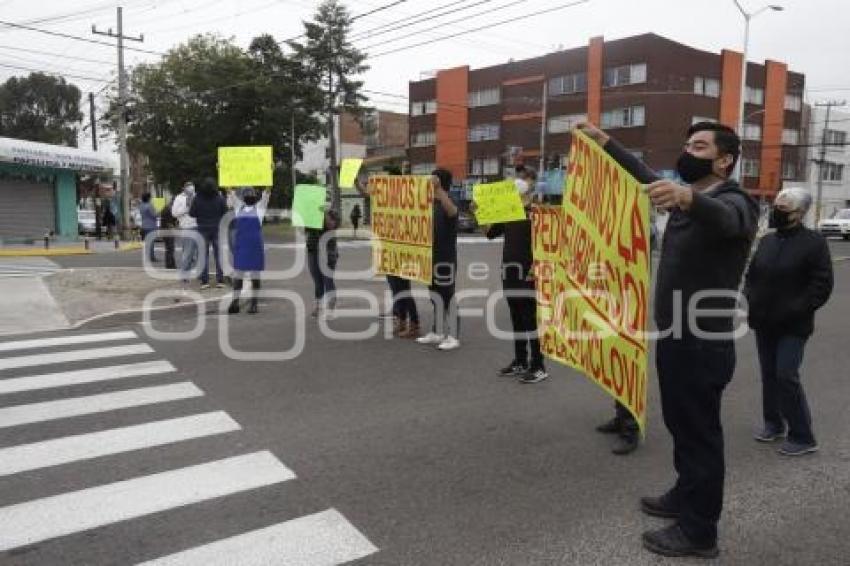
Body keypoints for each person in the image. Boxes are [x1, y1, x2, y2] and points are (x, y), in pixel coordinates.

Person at [578, 121, 759, 559]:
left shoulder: (736, 201)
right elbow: (646, 177)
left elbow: (728, 219)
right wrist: (606, 143)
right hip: (677, 338)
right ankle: (684, 494)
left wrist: (689, 198)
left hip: (703, 342)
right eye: (686, 144)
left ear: (724, 159)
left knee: (701, 436)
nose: (687, 151)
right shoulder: (685, 197)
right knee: (682, 426)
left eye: (699, 145)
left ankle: (700, 533)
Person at [744, 187, 833, 456]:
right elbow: (753, 273)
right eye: (776, 206)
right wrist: (751, 296)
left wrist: (796, 309)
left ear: (800, 213)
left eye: (784, 209)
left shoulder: (814, 242)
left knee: (786, 374)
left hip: (794, 325)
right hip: (764, 320)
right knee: (769, 374)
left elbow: (822, 284)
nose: (777, 212)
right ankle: (773, 423)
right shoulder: (769, 240)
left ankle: (803, 435)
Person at [479, 168, 548, 383]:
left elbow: (546, 246)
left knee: (530, 320)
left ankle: (538, 366)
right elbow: (490, 234)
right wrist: (480, 213)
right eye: (517, 179)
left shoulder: (537, 213)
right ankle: (520, 361)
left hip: (528, 274)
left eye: (524, 179)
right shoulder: (508, 210)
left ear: (532, 184)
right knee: (516, 319)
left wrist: (535, 270)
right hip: (509, 272)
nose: (519, 183)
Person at [416, 168, 460, 351]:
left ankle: (454, 336)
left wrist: (439, 190)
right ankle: (437, 331)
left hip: (445, 259)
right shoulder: (431, 203)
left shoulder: (448, 201)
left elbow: (453, 213)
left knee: (447, 297)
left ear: (440, 182)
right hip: (430, 258)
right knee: (435, 296)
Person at [227, 187, 270, 314]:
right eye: (247, 195)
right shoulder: (238, 207)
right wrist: (221, 171)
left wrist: (270, 174)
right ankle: (235, 303)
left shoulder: (260, 208)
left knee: (255, 275)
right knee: (238, 275)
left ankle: (254, 304)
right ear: (244, 197)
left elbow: (267, 193)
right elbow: (230, 192)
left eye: (251, 195)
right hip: (241, 245)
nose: (249, 196)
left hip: (254, 246)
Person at [189, 177, 227, 289]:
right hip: (217, 228)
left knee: (203, 255)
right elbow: (225, 212)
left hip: (202, 228)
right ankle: (220, 280)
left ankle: (205, 281)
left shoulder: (198, 198)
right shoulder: (219, 198)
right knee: (218, 255)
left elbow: (192, 213)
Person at [306, 204, 340, 318]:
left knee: (328, 280)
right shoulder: (310, 212)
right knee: (317, 280)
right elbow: (305, 230)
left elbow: (333, 225)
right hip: (313, 250)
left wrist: (324, 214)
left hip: (328, 251)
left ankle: (331, 308)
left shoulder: (331, 211)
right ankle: (318, 306)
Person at [171, 181, 198, 289]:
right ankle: (184, 274)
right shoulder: (179, 198)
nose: (191, 189)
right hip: (187, 227)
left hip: (198, 226)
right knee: (187, 252)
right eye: (189, 188)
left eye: (193, 188)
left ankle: (190, 272)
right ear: (184, 189)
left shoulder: (197, 197)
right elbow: (174, 213)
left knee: (195, 253)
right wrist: (186, 208)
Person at [159, 195, 178, 270]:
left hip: (164, 230)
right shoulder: (170, 209)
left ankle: (170, 264)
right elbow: (170, 221)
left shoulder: (166, 207)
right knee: (170, 248)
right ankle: (170, 265)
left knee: (169, 248)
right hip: (168, 230)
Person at [139, 193, 158, 263]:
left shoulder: (141, 205)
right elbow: (154, 215)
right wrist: (158, 212)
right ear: (148, 198)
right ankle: (151, 257)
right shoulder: (150, 205)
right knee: (151, 242)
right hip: (151, 225)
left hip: (144, 225)